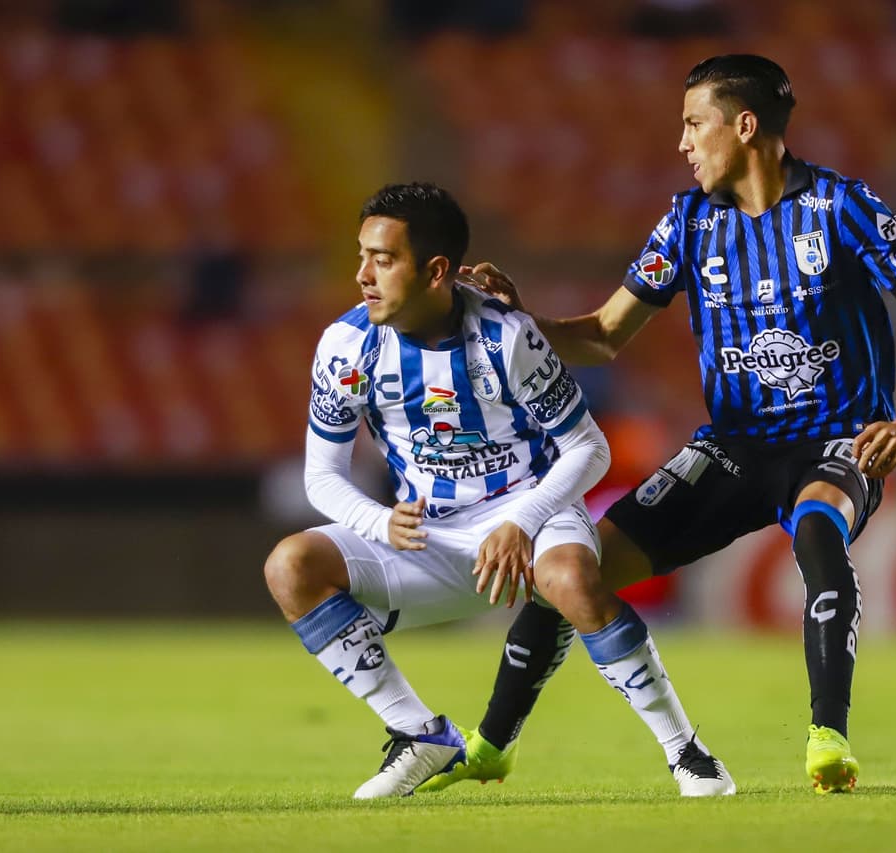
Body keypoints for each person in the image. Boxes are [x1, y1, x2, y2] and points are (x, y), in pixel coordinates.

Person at [421, 54, 896, 796]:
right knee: (574, 570)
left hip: (837, 436)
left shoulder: (839, 208)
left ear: (745, 126)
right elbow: (605, 334)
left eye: (693, 123)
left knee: (818, 526)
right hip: (737, 444)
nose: (682, 142)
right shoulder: (688, 222)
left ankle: (827, 738)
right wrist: (514, 319)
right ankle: (490, 744)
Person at [264, 182, 736, 798]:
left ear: (435, 271)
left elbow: (589, 449)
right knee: (291, 565)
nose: (362, 275)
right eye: (362, 256)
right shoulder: (347, 347)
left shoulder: (506, 337)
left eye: (383, 259)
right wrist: (379, 524)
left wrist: (522, 521)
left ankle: (686, 751)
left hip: (529, 515)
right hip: (426, 535)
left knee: (571, 579)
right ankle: (421, 735)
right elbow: (321, 475)